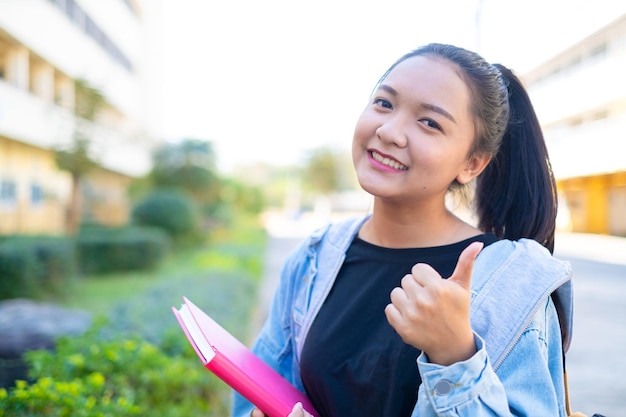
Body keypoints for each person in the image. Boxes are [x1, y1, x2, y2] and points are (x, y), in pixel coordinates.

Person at [233, 43, 574, 417]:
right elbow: (258, 389)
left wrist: (455, 356)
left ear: (472, 164)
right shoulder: (314, 259)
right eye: (384, 103)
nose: (390, 131)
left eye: (429, 122)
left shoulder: (512, 285)